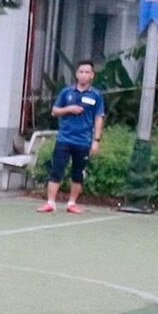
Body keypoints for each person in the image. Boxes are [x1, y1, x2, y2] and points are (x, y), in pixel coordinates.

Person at [37, 59, 104, 214]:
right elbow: (54, 111)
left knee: (78, 173)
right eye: (81, 72)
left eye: (87, 72)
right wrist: (69, 109)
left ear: (92, 75)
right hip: (64, 139)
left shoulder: (96, 95)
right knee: (56, 171)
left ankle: (72, 203)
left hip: (83, 141)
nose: (84, 75)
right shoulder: (66, 92)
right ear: (76, 74)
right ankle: (50, 202)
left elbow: (99, 117)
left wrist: (96, 140)